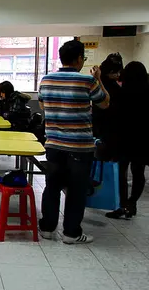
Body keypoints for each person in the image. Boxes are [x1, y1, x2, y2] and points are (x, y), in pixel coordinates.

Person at [38, 40, 110, 244]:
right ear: (79, 59)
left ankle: (47, 229)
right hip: (80, 146)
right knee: (76, 190)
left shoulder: (46, 79)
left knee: (52, 186)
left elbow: (43, 106)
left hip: (53, 144)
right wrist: (99, 79)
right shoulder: (87, 81)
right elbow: (105, 103)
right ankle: (71, 233)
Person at [106, 61, 147, 219]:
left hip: (123, 138)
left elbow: (113, 115)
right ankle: (132, 203)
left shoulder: (122, 93)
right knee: (138, 172)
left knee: (121, 172)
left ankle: (122, 205)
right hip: (142, 139)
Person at [93, 53, 123, 162]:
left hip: (100, 127)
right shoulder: (111, 86)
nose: (118, 75)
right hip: (108, 128)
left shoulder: (97, 83)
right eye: (115, 72)